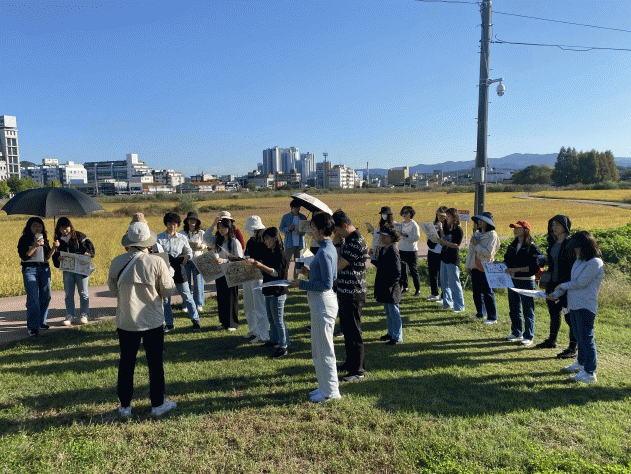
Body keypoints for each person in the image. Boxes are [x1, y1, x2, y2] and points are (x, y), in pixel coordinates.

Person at [108, 213, 177, 417]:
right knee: (155, 364)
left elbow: (113, 290)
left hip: (126, 320)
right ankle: (158, 404)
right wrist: (170, 275)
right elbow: (168, 291)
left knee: (126, 363)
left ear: (129, 241)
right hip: (152, 320)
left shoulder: (117, 261)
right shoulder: (156, 262)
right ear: (148, 241)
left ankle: (125, 406)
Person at [289, 213, 341, 403]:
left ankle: (331, 392)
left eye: (312, 228)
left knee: (324, 348)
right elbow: (324, 277)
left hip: (323, 302)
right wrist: (309, 273)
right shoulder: (326, 248)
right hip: (319, 301)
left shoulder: (325, 251)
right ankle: (324, 387)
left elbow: (327, 283)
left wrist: (301, 284)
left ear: (320, 230)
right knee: (318, 348)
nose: (310, 232)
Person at [548, 231, 604, 383]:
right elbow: (572, 282)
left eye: (577, 247)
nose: (575, 250)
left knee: (586, 338)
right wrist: (556, 293)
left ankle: (590, 373)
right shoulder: (579, 260)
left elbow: (580, 283)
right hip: (573, 304)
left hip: (585, 306)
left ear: (586, 246)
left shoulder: (595, 262)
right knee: (579, 337)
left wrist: (561, 286)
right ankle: (581, 363)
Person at [332, 209, 368, 382]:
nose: (336, 234)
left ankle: (358, 371)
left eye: (337, 230)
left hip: (353, 292)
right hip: (345, 290)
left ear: (345, 225)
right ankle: (350, 362)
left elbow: (338, 265)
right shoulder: (350, 239)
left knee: (354, 332)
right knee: (347, 330)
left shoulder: (355, 242)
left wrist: (337, 245)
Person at [535, 215, 577, 358]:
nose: (554, 228)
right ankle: (552, 341)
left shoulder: (570, 243)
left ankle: (573, 348)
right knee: (553, 313)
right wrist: (544, 261)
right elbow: (554, 262)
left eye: (557, 225)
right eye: (552, 225)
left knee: (569, 317)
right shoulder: (553, 242)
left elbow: (571, 266)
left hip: (565, 284)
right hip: (552, 283)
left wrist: (565, 286)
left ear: (565, 226)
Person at [155, 212, 200, 332]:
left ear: (178, 225)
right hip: (164, 271)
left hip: (179, 269)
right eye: (170, 223)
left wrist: (187, 257)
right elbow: (155, 254)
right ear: (166, 224)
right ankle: (169, 324)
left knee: (187, 296)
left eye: (175, 224)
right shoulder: (158, 238)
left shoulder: (182, 238)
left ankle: (195, 320)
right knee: (166, 300)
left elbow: (189, 252)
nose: (172, 226)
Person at [249, 227, 290, 357]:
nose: (265, 241)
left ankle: (283, 346)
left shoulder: (281, 254)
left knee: (279, 320)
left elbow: (276, 273)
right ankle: (274, 340)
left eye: (267, 238)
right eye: (264, 238)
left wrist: (260, 265)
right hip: (268, 289)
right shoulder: (267, 251)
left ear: (275, 238)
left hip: (278, 291)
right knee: (271, 318)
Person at [504, 220, 543, 346]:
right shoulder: (513, 245)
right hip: (512, 280)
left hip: (526, 282)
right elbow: (507, 260)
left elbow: (534, 268)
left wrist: (515, 270)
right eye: (514, 228)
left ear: (526, 230)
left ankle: (528, 336)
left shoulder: (532, 247)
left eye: (518, 228)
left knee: (528, 310)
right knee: (514, 308)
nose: (515, 230)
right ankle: (516, 332)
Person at [52, 217, 96, 326]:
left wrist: (88, 253)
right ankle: (70, 315)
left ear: (70, 226)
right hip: (67, 270)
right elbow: (55, 256)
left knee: (83, 293)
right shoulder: (58, 240)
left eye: (66, 227)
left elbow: (90, 249)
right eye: (61, 228)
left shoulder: (80, 236)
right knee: (68, 293)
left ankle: (84, 314)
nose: (64, 230)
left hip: (81, 269)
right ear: (58, 229)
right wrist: (58, 258)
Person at [18, 217, 56, 336]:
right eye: (34, 226)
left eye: (40, 226)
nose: (37, 228)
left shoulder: (44, 239)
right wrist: (35, 245)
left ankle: (41, 322)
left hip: (44, 269)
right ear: (29, 227)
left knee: (46, 295)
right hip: (30, 270)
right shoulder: (24, 239)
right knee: (33, 298)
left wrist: (54, 248)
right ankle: (33, 327)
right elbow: (24, 257)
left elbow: (47, 257)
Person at [204, 216, 243, 331]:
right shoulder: (217, 241)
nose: (221, 230)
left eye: (223, 227)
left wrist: (224, 261)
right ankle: (224, 322)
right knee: (221, 298)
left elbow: (239, 259)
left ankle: (233, 324)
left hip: (231, 273)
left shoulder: (234, 242)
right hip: (220, 273)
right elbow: (205, 237)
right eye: (219, 227)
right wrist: (213, 224)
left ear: (229, 228)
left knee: (231, 298)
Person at [465, 212, 500, 324]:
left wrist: (477, 245)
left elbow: (489, 253)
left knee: (488, 292)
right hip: (475, 266)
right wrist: (468, 266)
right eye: (479, 220)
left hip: (486, 267)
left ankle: (492, 317)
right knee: (476, 292)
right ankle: (480, 313)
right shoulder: (477, 234)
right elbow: (471, 251)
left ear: (488, 223)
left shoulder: (492, 235)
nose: (479, 222)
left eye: (482, 220)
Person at [374, 225, 403, 345]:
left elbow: (397, 271)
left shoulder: (393, 251)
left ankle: (397, 337)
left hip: (391, 287)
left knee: (394, 312)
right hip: (384, 285)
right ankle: (390, 333)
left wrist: (390, 285)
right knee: (388, 311)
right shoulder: (383, 249)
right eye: (381, 235)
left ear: (391, 238)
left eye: (384, 236)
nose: (381, 237)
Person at [242, 216, 270, 344]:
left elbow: (265, 260)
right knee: (248, 306)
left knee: (259, 306)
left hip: (259, 276)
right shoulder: (250, 241)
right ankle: (253, 330)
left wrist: (255, 262)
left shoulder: (264, 242)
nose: (251, 232)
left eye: (253, 230)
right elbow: (247, 255)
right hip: (248, 275)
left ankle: (263, 334)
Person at [437, 208, 465, 312]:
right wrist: (440, 230)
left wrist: (444, 242)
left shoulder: (458, 230)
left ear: (454, 217)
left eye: (448, 216)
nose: (446, 218)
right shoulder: (446, 227)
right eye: (446, 216)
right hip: (444, 257)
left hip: (452, 259)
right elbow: (443, 238)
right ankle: (447, 303)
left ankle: (459, 306)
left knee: (454, 284)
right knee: (444, 282)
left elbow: (457, 245)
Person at [180, 211, 207, 313]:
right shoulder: (182, 233)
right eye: (190, 219)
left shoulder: (201, 233)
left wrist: (201, 246)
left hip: (198, 259)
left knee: (198, 283)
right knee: (185, 283)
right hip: (186, 260)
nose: (192, 222)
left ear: (197, 222)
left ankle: (199, 303)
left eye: (194, 220)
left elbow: (206, 244)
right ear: (187, 221)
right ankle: (186, 304)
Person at [279, 199, 308, 280]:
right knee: (286, 263)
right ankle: (284, 279)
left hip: (300, 244)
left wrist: (302, 232)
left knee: (299, 264)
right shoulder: (285, 217)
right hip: (289, 244)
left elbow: (306, 230)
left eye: (298, 208)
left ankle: (296, 280)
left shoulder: (303, 217)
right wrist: (288, 228)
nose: (297, 209)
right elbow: (281, 229)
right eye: (295, 208)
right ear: (291, 208)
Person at [398, 206, 421, 296]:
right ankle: (405, 287)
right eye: (403, 212)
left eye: (406, 213)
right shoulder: (401, 224)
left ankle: (417, 290)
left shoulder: (414, 225)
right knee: (402, 270)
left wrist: (406, 236)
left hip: (411, 250)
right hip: (402, 249)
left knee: (413, 270)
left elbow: (417, 237)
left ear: (411, 214)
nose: (404, 214)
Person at [426, 206, 448, 302]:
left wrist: (441, 229)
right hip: (432, 251)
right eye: (438, 215)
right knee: (432, 273)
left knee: (443, 275)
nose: (440, 217)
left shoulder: (447, 226)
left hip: (442, 252)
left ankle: (444, 296)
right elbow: (428, 237)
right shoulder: (433, 224)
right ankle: (434, 293)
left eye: (442, 216)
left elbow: (445, 238)